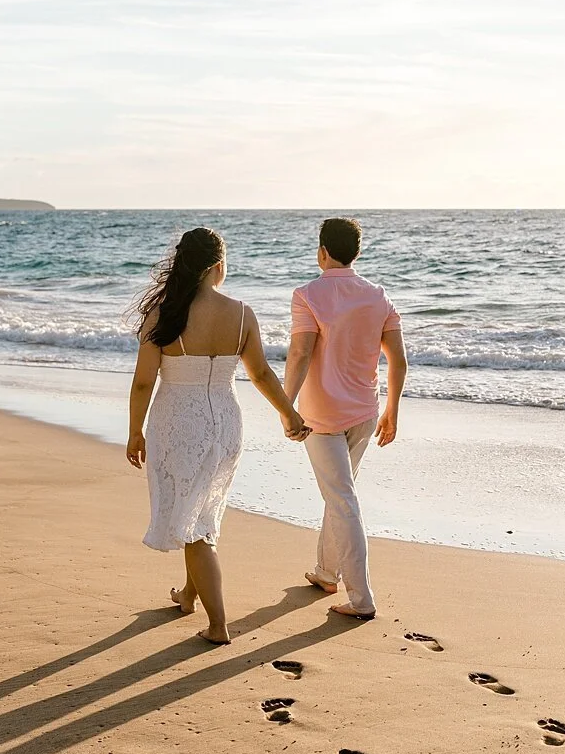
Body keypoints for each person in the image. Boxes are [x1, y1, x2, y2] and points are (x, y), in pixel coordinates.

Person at [126, 227, 310, 646]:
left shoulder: (162, 314)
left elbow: (142, 383)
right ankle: (190, 594)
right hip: (226, 421)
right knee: (200, 508)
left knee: (194, 525)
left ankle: (218, 624)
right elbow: (261, 374)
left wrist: (135, 431)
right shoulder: (242, 313)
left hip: (178, 421)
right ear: (217, 266)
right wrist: (289, 414)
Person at [284, 217, 407, 621]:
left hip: (322, 417)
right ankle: (325, 571)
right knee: (340, 494)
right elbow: (398, 361)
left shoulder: (308, 294)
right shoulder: (378, 295)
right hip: (365, 413)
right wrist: (392, 410)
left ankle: (361, 599)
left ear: (322, 251)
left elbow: (300, 354)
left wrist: (287, 406)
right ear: (357, 252)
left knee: (342, 499)